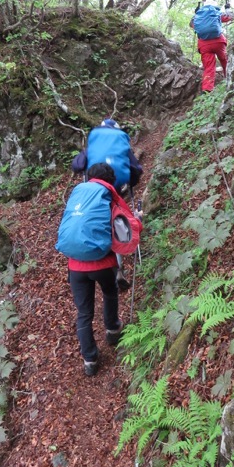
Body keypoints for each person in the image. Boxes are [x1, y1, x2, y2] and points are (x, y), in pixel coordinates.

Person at [56, 162, 142, 377]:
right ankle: (113, 330)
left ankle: (90, 360)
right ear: (110, 179)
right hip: (103, 262)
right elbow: (126, 224)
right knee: (110, 292)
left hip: (75, 265)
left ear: (90, 177)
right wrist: (139, 220)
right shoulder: (108, 195)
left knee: (84, 313)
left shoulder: (78, 194)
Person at [72, 118, 143, 291]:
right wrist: (132, 182)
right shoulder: (120, 142)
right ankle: (117, 267)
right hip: (114, 187)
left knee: (98, 221)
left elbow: (77, 164)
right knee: (115, 220)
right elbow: (136, 169)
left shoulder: (94, 144)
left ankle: (100, 261)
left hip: (93, 190)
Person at [190, 0, 234, 92]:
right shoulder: (217, 12)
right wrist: (228, 8)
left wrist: (196, 13)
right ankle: (229, 79)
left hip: (204, 44)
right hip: (218, 41)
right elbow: (232, 17)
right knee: (224, 60)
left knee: (209, 66)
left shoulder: (198, 15)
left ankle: (207, 89)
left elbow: (192, 25)